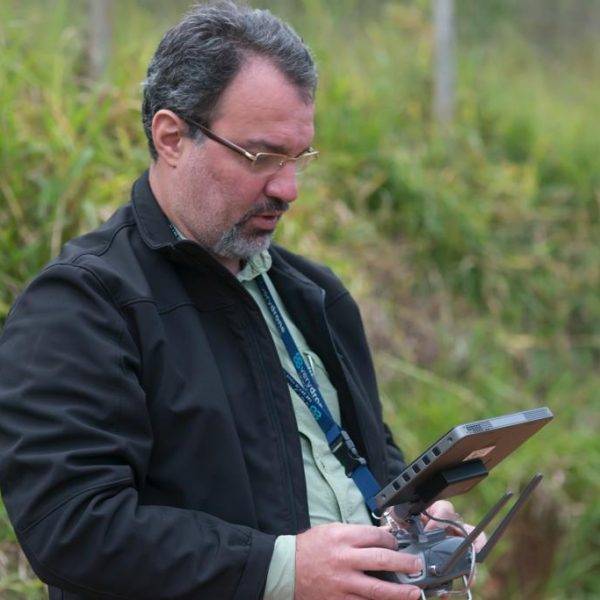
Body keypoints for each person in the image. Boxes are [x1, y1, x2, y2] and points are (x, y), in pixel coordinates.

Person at [0, 2, 479, 599]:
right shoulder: (82, 304)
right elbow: (72, 527)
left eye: (299, 157)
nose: (288, 188)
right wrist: (280, 571)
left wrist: (413, 520)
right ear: (171, 138)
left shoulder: (314, 294)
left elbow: (364, 458)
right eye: (262, 157)